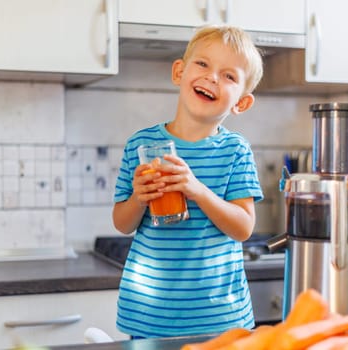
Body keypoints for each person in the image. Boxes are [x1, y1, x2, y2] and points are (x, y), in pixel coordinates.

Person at [112, 24, 264, 338]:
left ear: (242, 103)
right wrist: (139, 199)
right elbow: (122, 224)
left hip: (221, 318)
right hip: (148, 313)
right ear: (179, 71)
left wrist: (197, 190)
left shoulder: (235, 150)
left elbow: (244, 227)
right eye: (203, 64)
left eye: (229, 76)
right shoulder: (139, 144)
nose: (212, 77)